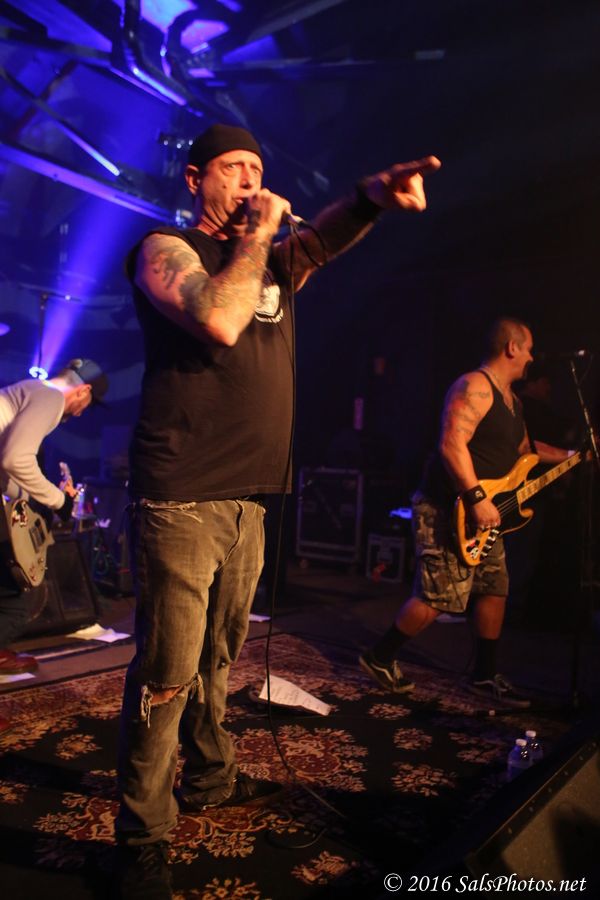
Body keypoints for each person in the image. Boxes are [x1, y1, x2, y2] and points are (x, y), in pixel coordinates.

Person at [115, 122, 441, 899]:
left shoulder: (266, 262)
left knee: (219, 659)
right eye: (234, 167)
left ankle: (211, 778)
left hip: (251, 497)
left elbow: (320, 242)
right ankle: (141, 837)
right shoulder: (164, 249)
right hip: (182, 495)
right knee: (167, 673)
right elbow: (219, 319)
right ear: (195, 178)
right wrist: (260, 234)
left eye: (258, 170)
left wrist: (370, 199)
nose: (251, 181)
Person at [360, 318, 577, 706]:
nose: (532, 357)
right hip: (450, 508)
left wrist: (575, 456)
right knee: (439, 597)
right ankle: (379, 657)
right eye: (528, 348)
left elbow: (526, 451)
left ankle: (484, 675)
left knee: (494, 588)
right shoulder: (474, 386)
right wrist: (476, 498)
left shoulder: (513, 401)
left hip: (491, 513)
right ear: (512, 347)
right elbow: (451, 444)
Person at [0, 358, 108, 733]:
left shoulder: (28, 391)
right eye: (87, 405)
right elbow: (15, 458)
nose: (80, 413)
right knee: (15, 605)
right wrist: (58, 500)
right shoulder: (49, 397)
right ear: (83, 390)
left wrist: (36, 497)